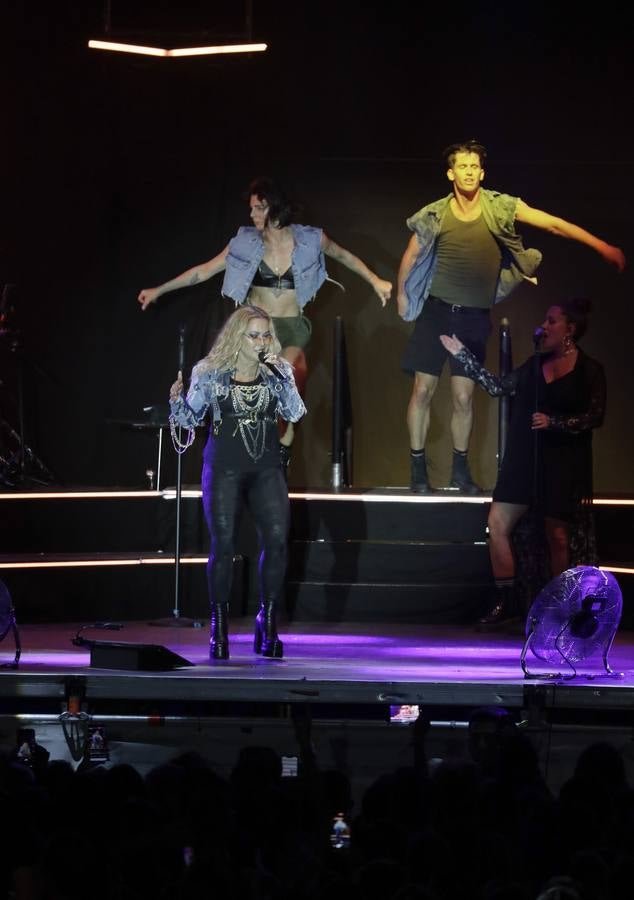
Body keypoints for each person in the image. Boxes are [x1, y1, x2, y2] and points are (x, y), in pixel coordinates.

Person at [398, 140, 624, 494]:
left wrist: (602, 247)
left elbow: (553, 224)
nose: (469, 172)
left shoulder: (499, 207)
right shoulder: (435, 213)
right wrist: (401, 294)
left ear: (482, 173)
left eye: (475, 166)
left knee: (462, 398)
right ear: (451, 172)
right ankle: (417, 470)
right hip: (437, 312)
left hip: (473, 317)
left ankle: (460, 470)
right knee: (423, 390)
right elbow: (412, 254)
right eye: (463, 166)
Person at [141, 176, 392, 467]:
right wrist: (159, 290)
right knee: (249, 396)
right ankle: (248, 454)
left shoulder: (311, 239)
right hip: (254, 331)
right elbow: (203, 272)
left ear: (275, 207)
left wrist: (375, 281)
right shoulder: (245, 243)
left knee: (285, 381)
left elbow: (344, 256)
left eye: (258, 208)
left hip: (291, 329)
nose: (252, 214)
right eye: (251, 208)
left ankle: (282, 450)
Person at [440, 297, 606, 627]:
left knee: (556, 536)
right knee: (497, 524)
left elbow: (594, 415)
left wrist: (555, 422)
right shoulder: (534, 365)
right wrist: (463, 357)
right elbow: (498, 387)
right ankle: (507, 602)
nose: (544, 327)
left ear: (569, 329)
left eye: (552, 321)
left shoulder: (590, 370)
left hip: (560, 462)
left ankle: (565, 608)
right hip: (523, 457)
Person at [168, 305, 306, 660]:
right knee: (224, 547)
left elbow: (294, 413)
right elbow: (191, 418)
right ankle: (220, 624)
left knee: (277, 541)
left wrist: (284, 376)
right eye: (254, 335)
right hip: (224, 468)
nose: (261, 341)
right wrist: (175, 402)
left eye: (265, 334)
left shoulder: (277, 372)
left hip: (266, 469)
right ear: (237, 338)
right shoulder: (210, 373)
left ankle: (268, 620)